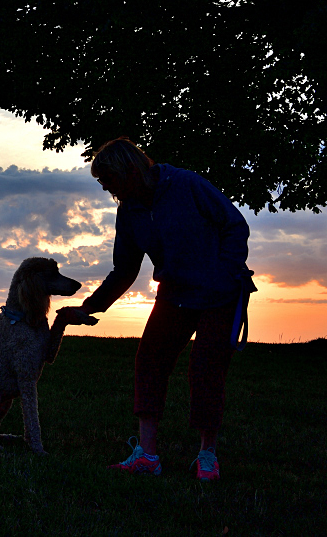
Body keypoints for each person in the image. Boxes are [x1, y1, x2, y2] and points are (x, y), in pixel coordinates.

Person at [59, 138, 255, 481]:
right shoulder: (129, 211)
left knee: (206, 369)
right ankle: (148, 456)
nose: (109, 191)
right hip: (174, 294)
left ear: (131, 171)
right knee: (149, 361)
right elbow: (124, 269)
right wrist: (90, 307)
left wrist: (225, 273)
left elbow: (235, 225)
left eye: (111, 183)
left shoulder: (187, 184)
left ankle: (207, 455)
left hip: (219, 295)